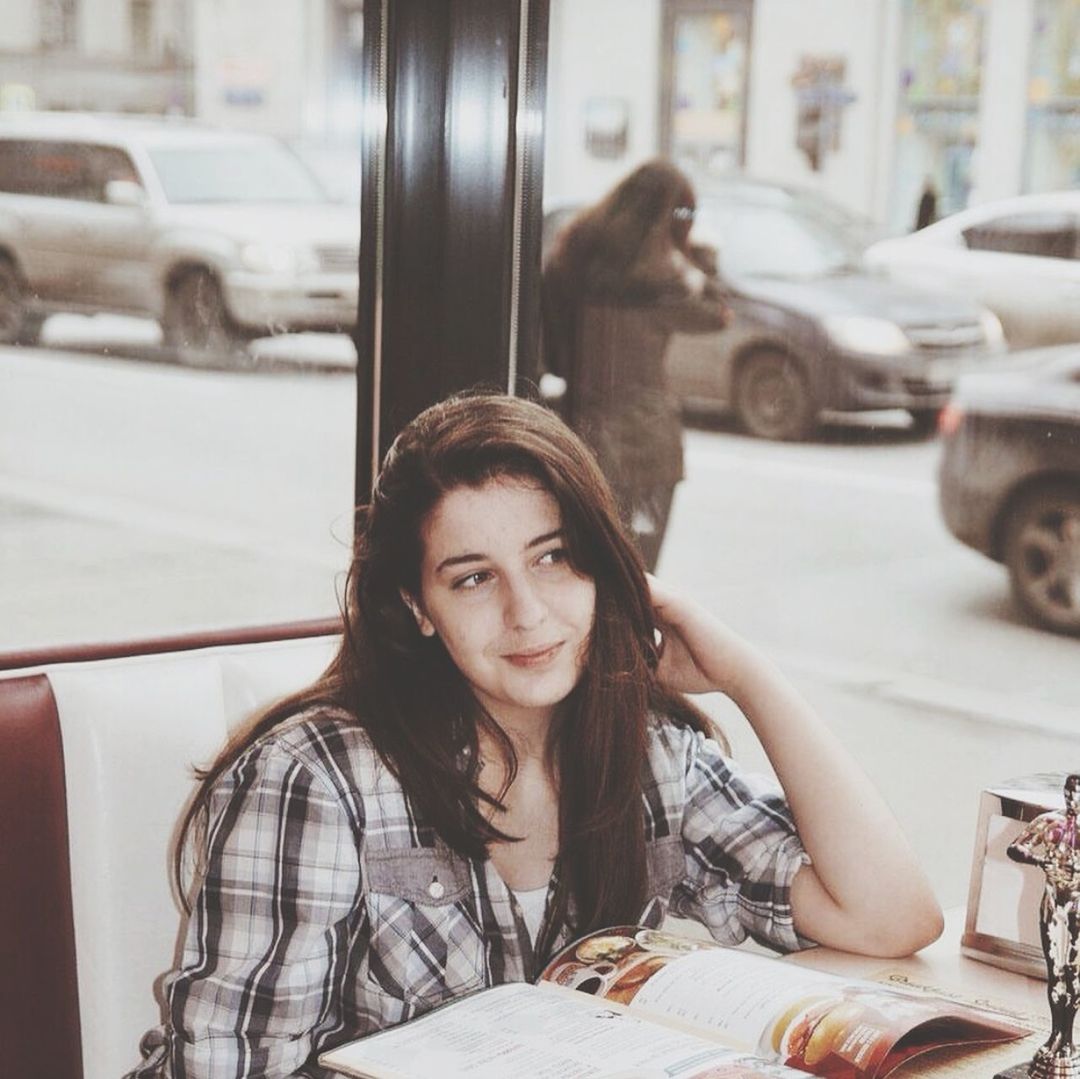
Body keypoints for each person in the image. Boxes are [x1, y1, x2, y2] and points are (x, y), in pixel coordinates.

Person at [126, 392, 942, 1078]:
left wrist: (745, 673)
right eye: (474, 577)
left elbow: (889, 917)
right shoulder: (320, 778)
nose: (527, 612)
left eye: (553, 558)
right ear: (417, 606)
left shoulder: (649, 755)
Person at [542, 159, 729, 571]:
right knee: (639, 573)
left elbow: (551, 354)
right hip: (647, 439)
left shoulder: (570, 257)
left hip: (581, 430)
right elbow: (717, 314)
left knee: (582, 566)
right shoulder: (666, 280)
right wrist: (698, 263)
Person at [1007, 774, 1080, 1074]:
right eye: (1070, 793)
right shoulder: (1050, 823)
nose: (1073, 799)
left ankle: (1068, 1042)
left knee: (1074, 976)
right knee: (1055, 974)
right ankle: (1056, 1035)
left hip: (1077, 905)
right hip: (1052, 904)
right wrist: (1039, 862)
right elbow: (1015, 848)